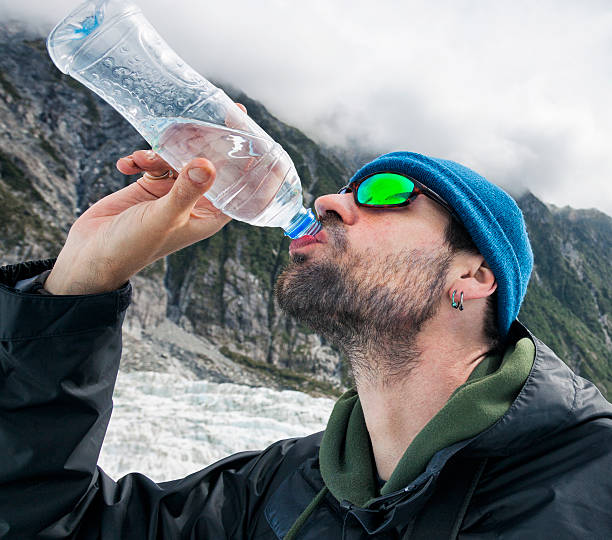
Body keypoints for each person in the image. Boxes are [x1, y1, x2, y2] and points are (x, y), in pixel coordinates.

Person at [1, 119, 611, 538]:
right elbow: (45, 522)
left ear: (476, 275)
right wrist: (82, 278)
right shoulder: (275, 492)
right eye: (342, 190)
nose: (328, 202)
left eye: (388, 192)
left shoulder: (593, 481)